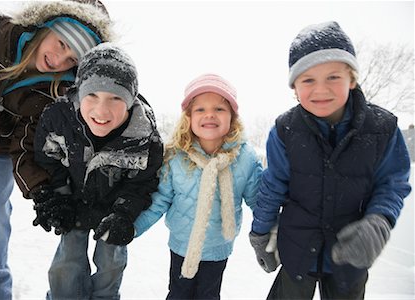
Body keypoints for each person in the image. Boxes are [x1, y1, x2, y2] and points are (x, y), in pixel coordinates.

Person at [249, 21, 412, 299]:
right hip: (297, 247)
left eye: (333, 77)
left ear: (352, 78)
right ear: (295, 87)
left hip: (350, 252)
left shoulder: (382, 128)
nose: (320, 89)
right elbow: (273, 184)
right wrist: (261, 233)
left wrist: (379, 221)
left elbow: (392, 184)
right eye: (308, 79)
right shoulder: (285, 130)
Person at [0, 1, 114, 299]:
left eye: (72, 60)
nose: (59, 61)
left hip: (0, 143)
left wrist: (41, 191)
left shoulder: (54, 92)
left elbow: (25, 143)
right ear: (45, 26)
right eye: (61, 43)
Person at [33, 42, 163, 299]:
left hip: (113, 207)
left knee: (111, 262)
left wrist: (124, 214)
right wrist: (57, 195)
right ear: (79, 93)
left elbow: (142, 183)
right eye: (92, 96)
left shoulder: (142, 137)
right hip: (73, 199)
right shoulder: (59, 119)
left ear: (130, 101)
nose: (101, 110)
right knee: (67, 262)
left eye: (115, 98)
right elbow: (47, 159)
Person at [134, 73, 263, 299]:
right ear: (189, 118)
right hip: (182, 245)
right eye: (200, 109)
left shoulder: (244, 158)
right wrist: (133, 227)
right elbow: (160, 200)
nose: (210, 114)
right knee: (178, 294)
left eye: (219, 109)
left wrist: (276, 228)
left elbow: (259, 201)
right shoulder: (176, 157)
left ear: (232, 117)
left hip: (218, 248)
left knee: (208, 295)